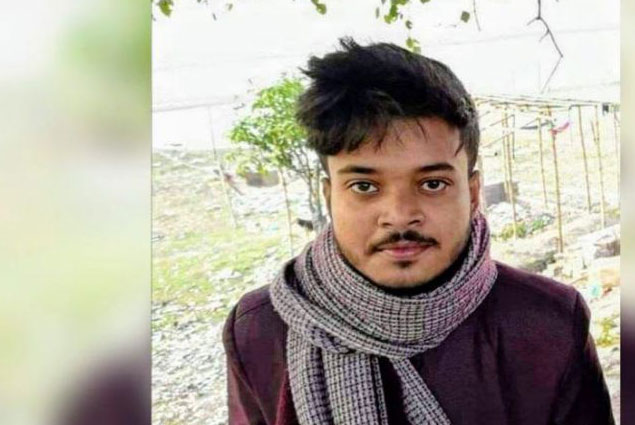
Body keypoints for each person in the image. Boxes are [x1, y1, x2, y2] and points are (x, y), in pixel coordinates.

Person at [223, 38, 614, 425]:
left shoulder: (548, 324)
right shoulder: (261, 330)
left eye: (432, 184)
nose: (399, 216)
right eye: (364, 186)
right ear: (330, 196)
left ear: (473, 193)